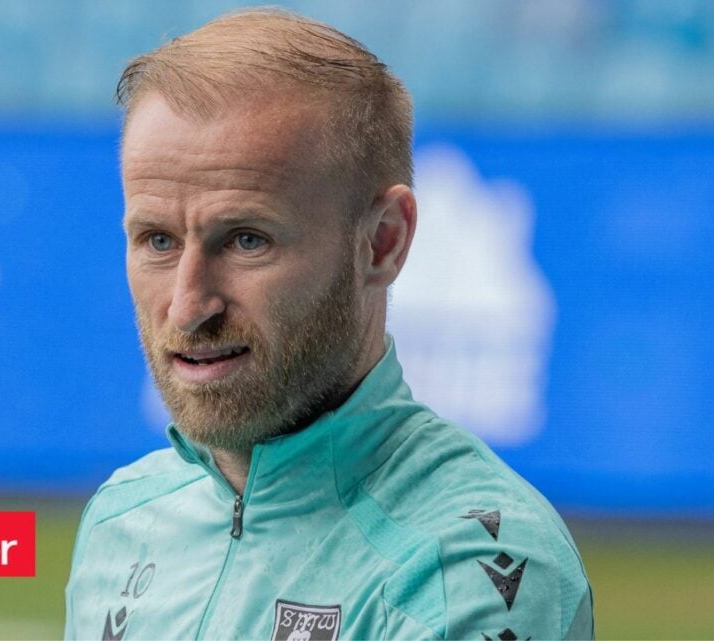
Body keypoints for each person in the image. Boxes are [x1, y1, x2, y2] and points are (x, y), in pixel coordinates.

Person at [65, 8, 593, 640]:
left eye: (247, 240)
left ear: (383, 242)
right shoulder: (121, 519)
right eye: (157, 240)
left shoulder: (473, 568)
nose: (187, 306)